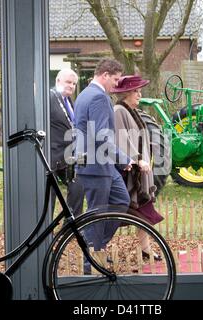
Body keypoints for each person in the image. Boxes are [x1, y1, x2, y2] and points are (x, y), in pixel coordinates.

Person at [74, 58, 134, 252]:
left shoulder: (84, 94)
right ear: (105, 75)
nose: (117, 84)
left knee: (121, 201)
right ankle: (91, 255)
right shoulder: (99, 97)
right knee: (98, 214)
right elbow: (101, 136)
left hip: (100, 164)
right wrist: (123, 159)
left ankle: (95, 244)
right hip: (96, 166)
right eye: (115, 79)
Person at [111, 75, 164, 261]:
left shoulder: (133, 111)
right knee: (122, 213)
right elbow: (120, 140)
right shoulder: (119, 111)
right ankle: (97, 248)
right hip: (129, 173)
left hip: (140, 174)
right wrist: (138, 160)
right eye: (136, 90)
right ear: (125, 93)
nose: (139, 94)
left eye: (140, 90)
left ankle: (146, 249)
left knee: (144, 210)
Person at [49, 69, 84, 217]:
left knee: (79, 185)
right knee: (49, 195)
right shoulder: (49, 97)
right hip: (52, 154)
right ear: (58, 81)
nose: (71, 86)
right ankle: (45, 230)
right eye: (68, 82)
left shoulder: (69, 101)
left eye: (74, 83)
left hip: (69, 155)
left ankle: (71, 226)